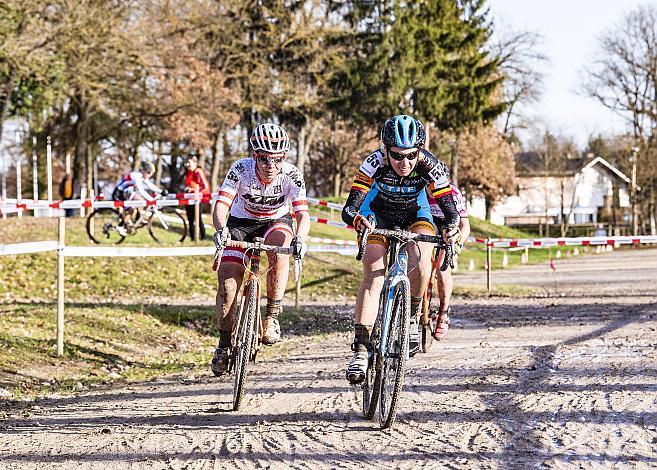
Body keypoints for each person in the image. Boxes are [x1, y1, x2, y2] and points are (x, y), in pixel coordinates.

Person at [341, 114, 462, 385]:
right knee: (373, 272)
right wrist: (358, 220)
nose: (404, 163)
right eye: (396, 155)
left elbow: (450, 210)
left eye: (410, 156)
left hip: (415, 216)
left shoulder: (430, 165)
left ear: (419, 150)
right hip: (378, 214)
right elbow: (348, 209)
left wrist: (451, 228)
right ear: (386, 149)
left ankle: (411, 318)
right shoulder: (374, 162)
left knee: (421, 261)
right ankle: (360, 348)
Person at [210, 123, 310, 376]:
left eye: (277, 159)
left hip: (275, 222)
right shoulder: (240, 169)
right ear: (255, 155)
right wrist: (222, 229)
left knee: (281, 244)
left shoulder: (292, 174)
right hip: (241, 223)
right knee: (228, 285)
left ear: (284, 158)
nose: (270, 165)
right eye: (264, 158)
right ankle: (223, 344)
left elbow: (302, 213)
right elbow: (221, 205)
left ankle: (272, 316)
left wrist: (301, 237)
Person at [426, 183, 470, 340]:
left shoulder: (452, 192)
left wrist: (457, 244)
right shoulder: (420, 188)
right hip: (428, 226)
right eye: (429, 184)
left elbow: (465, 226)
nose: (432, 188)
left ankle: (443, 313)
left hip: (449, 229)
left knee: (442, 269)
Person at [112, 161, 165, 236]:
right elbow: (141, 191)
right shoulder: (137, 177)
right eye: (150, 173)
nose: (150, 175)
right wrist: (152, 200)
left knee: (140, 200)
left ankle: (138, 218)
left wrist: (161, 191)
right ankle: (120, 226)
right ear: (145, 171)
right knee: (132, 209)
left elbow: (150, 185)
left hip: (125, 192)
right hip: (118, 194)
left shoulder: (141, 176)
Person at [183, 155, 210, 241]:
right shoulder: (188, 172)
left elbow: (205, 187)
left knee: (198, 219)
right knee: (190, 220)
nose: (187, 165)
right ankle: (192, 239)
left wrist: (194, 191)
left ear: (195, 163)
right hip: (188, 199)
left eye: (189, 162)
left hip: (197, 200)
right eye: (187, 162)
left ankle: (203, 238)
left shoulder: (198, 171)